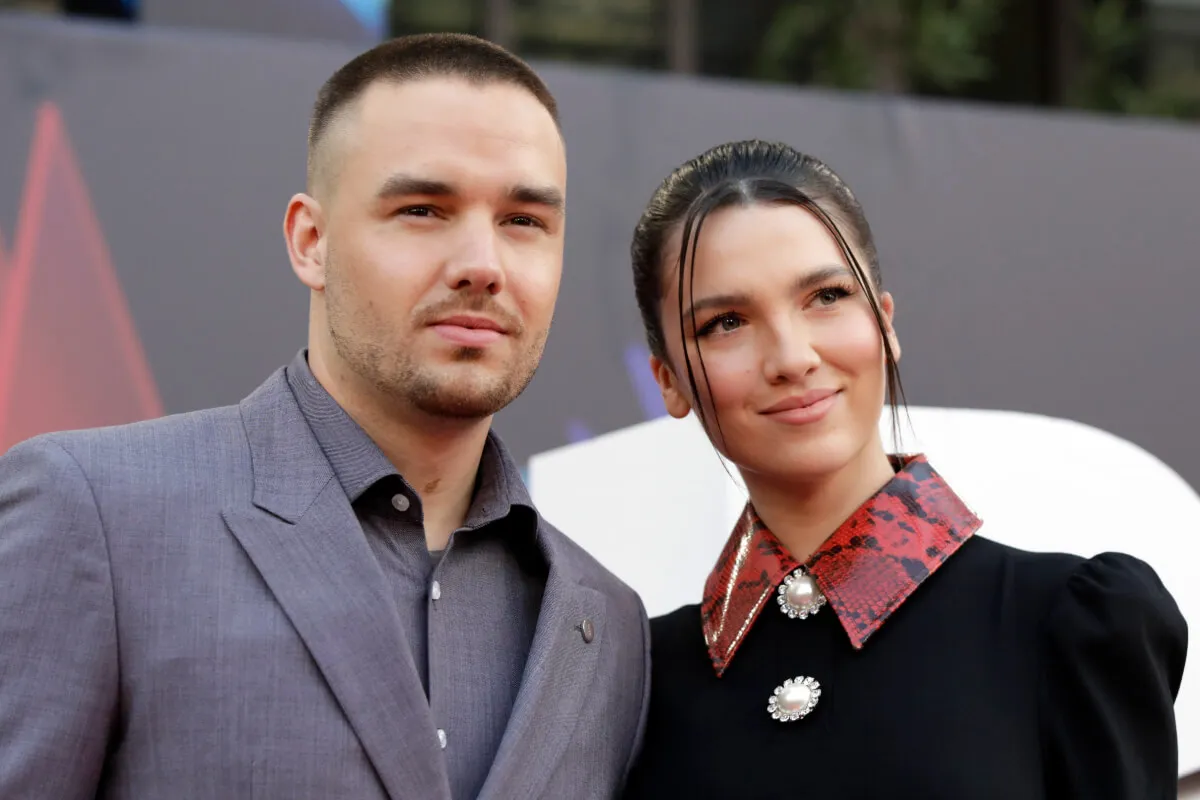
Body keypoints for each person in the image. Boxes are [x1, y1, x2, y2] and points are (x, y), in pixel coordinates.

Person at [0, 34, 649, 800]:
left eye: (524, 221)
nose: (483, 262)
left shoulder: (607, 620)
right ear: (312, 241)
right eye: (422, 209)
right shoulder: (94, 515)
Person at [620, 139, 1187, 798]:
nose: (792, 356)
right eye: (725, 323)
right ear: (668, 382)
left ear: (884, 322)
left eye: (826, 296)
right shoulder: (636, 682)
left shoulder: (1064, 625)